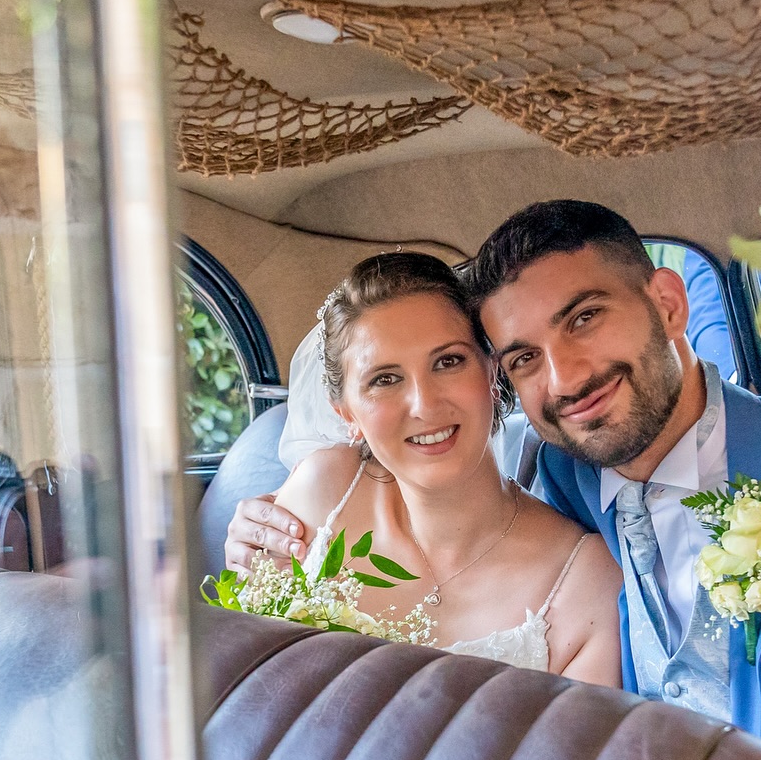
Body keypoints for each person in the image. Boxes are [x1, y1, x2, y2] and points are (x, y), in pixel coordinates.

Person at [228, 203, 761, 760]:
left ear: (670, 305)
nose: (564, 378)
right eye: (526, 358)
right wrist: (250, 540)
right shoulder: (562, 472)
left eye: (584, 319)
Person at [262, 251, 622, 684]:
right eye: (385, 379)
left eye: (448, 362)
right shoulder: (322, 495)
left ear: (492, 370)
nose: (425, 405)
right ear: (346, 415)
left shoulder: (586, 585)